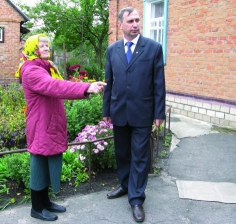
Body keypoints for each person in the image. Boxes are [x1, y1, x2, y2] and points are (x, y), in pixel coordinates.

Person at [15, 34, 106, 221]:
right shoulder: (31, 70)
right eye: (42, 45)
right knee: (39, 165)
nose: (47, 48)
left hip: (48, 123)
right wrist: (85, 87)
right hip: (41, 125)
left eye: (47, 45)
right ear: (33, 48)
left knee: (46, 165)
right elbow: (53, 86)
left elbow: (58, 85)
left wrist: (84, 86)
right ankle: (36, 208)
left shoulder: (44, 67)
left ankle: (46, 202)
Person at [102, 7, 166, 222]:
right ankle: (125, 185)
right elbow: (109, 82)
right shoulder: (112, 50)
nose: (135, 24)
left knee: (139, 156)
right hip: (118, 111)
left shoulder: (153, 48)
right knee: (122, 154)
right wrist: (106, 111)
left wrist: (159, 112)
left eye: (138, 20)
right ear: (120, 24)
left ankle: (137, 199)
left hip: (143, 113)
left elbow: (159, 83)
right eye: (130, 21)